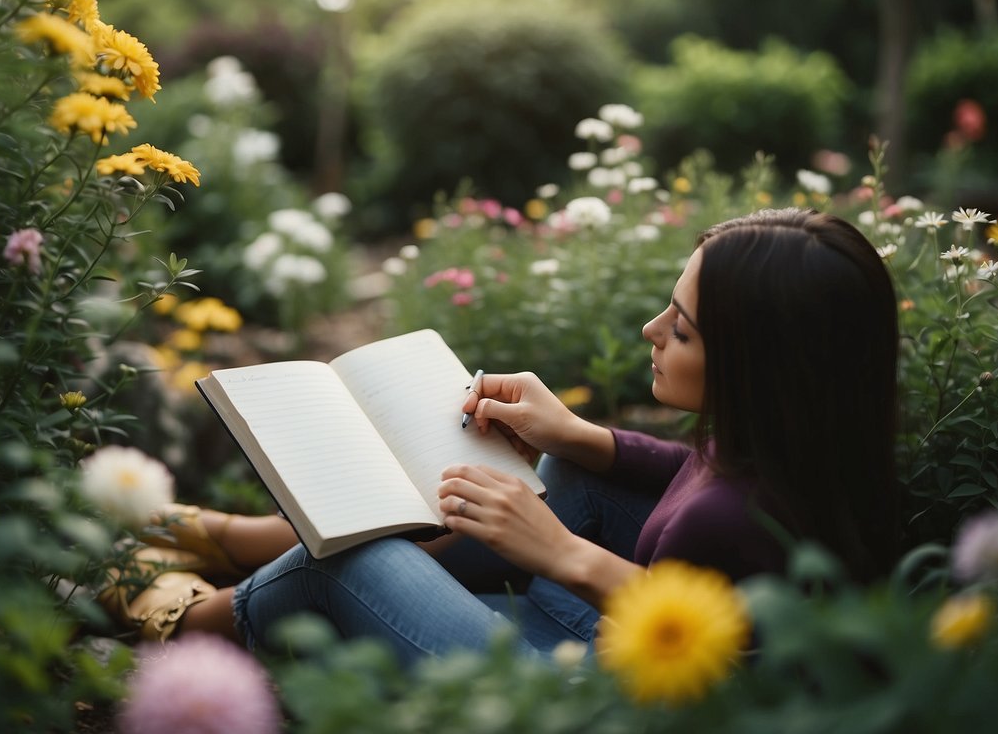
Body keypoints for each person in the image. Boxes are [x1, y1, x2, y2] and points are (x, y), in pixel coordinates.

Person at [104, 208, 901, 664]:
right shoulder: (802, 453)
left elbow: (707, 654)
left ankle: (189, 617)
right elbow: (685, 468)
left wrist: (563, 555)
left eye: (683, 329)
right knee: (565, 475)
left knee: (361, 559)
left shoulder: (720, 522)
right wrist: (574, 435)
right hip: (610, 622)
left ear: (760, 363)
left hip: (582, 689)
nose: (652, 329)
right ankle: (226, 536)